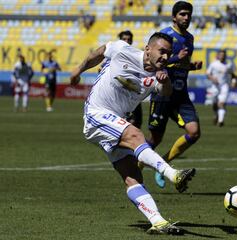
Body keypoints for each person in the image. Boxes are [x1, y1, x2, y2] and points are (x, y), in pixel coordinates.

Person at [69, 32, 196, 235]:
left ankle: (158, 221)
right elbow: (101, 51)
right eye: (161, 51)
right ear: (148, 49)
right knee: (136, 134)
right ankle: (173, 174)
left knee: (132, 176)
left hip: (113, 122)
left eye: (168, 53)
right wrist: (79, 70)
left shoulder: (158, 75)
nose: (165, 57)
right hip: (97, 113)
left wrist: (165, 82)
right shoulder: (122, 50)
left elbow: (166, 92)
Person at [146, 1, 202, 189]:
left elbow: (180, 65)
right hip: (163, 93)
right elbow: (152, 62)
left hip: (181, 94)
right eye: (183, 14)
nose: (186, 18)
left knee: (194, 132)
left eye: (189, 15)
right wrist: (177, 58)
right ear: (174, 16)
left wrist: (191, 66)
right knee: (155, 139)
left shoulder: (190, 38)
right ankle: (132, 167)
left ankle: (162, 164)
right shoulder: (165, 36)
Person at [206, 49, 236, 127]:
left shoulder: (229, 65)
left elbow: (232, 74)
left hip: (224, 86)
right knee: (215, 104)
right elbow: (208, 74)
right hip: (215, 87)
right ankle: (216, 115)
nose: (222, 57)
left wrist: (233, 81)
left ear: (225, 56)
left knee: (221, 103)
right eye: (221, 55)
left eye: (224, 55)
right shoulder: (213, 64)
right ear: (218, 55)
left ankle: (220, 121)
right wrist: (212, 78)